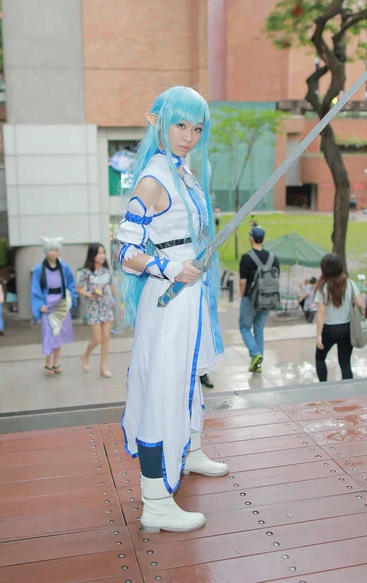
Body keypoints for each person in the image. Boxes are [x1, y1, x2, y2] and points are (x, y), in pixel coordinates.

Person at [115, 86, 228, 534]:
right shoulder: (153, 179)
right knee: (162, 386)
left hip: (190, 294)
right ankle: (155, 499)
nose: (189, 135)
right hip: (168, 298)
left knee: (188, 376)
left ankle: (190, 449)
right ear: (155, 121)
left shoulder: (185, 174)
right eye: (180, 124)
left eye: (197, 127)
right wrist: (167, 266)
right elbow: (126, 251)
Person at [31, 237, 77, 375]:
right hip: (47, 304)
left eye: (55, 250)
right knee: (48, 334)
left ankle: (56, 362)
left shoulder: (65, 268)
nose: (53, 253)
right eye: (50, 250)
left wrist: (70, 300)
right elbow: (35, 289)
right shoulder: (39, 269)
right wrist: (40, 305)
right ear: (46, 252)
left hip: (61, 303)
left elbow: (71, 285)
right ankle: (48, 362)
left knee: (59, 334)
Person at [315, 253, 363, 382]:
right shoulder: (350, 283)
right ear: (340, 267)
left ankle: (324, 387)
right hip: (347, 328)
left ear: (323, 269)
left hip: (329, 330)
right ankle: (348, 391)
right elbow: (360, 303)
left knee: (320, 358)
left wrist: (319, 335)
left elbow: (321, 313)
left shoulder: (323, 288)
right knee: (345, 362)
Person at [239, 226, 280, 373]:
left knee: (244, 327)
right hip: (268, 299)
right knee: (259, 330)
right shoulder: (273, 257)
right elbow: (276, 279)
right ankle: (257, 364)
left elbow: (243, 282)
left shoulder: (246, 258)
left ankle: (255, 355)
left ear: (251, 239)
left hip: (250, 299)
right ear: (263, 239)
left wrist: (242, 295)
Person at [77, 243, 117, 378]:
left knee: (106, 338)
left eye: (103, 253)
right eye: (98, 253)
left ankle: (103, 366)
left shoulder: (107, 270)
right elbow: (79, 288)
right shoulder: (86, 272)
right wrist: (89, 295)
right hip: (93, 307)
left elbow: (113, 286)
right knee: (97, 338)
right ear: (92, 255)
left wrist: (118, 302)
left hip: (106, 306)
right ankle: (85, 355)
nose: (102, 256)